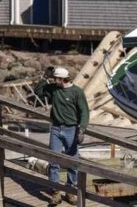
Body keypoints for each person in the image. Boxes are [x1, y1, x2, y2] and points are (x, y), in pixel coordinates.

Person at [34, 66, 89, 205]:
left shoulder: (77, 92)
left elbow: (84, 112)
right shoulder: (54, 89)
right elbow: (38, 92)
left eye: (55, 78)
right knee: (54, 160)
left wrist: (82, 130)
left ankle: (70, 191)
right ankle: (56, 192)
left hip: (71, 129)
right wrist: (44, 78)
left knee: (73, 162)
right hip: (56, 129)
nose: (53, 80)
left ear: (62, 79)